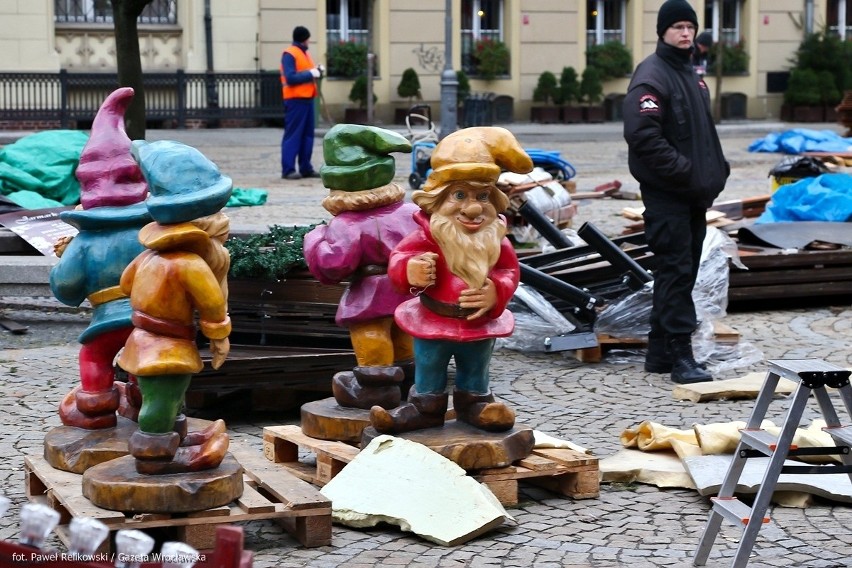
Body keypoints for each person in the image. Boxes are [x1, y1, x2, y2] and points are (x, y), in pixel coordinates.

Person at [369, 126, 533, 434]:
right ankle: (423, 408)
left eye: (482, 196)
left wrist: (496, 292)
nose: (472, 208)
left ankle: (478, 405)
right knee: (429, 366)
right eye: (459, 195)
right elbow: (398, 262)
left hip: (478, 323)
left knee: (476, 368)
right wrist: (409, 270)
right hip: (433, 320)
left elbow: (509, 271)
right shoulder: (426, 236)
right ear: (437, 199)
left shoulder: (496, 241)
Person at [622, 0, 729, 385]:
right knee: (677, 270)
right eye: (678, 27)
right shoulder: (653, 75)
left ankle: (659, 352)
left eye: (690, 27)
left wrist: (716, 168)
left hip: (691, 195)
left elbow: (701, 133)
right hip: (669, 194)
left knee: (675, 274)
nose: (685, 33)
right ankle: (682, 357)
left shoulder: (691, 73)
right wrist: (684, 172)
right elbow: (642, 135)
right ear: (663, 31)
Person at [119, 140, 233, 475]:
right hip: (167, 347)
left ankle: (175, 437)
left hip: (142, 339)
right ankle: (154, 454)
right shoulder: (190, 264)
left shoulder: (148, 255)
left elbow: (126, 285)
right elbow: (212, 305)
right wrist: (220, 334)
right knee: (162, 399)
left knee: (171, 395)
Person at [50, 87, 149, 430]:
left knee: (94, 356)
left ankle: (97, 405)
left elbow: (66, 289)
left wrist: (63, 259)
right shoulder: (152, 232)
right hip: (147, 316)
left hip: (105, 321)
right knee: (145, 359)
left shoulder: (84, 243)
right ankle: (144, 401)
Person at [303, 124, 419, 410]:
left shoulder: (346, 224)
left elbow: (333, 266)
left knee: (373, 337)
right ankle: (410, 386)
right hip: (409, 292)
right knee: (405, 338)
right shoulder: (411, 213)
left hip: (369, 298)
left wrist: (314, 238)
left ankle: (377, 391)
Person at [280, 26, 324, 180]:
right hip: (295, 100)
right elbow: (291, 78)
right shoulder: (290, 54)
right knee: (293, 135)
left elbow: (305, 73)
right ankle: (288, 169)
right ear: (304, 38)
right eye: (308, 38)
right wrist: (310, 73)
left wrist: (317, 71)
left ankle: (306, 168)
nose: (309, 41)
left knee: (307, 136)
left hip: (307, 99)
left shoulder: (304, 53)